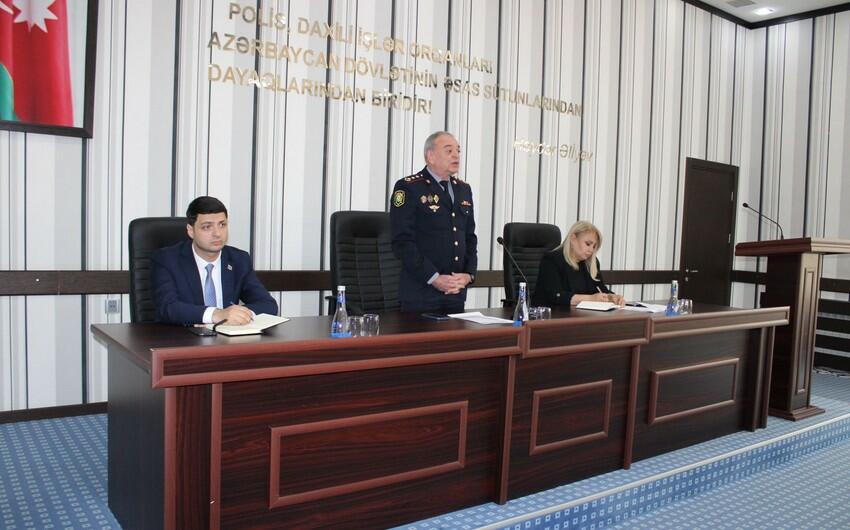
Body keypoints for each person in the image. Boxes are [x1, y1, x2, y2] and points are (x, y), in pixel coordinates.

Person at [151, 196, 278, 325]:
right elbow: (167, 308)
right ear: (191, 231)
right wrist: (216, 315)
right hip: (183, 335)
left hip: (227, 335)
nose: (217, 233)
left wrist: (238, 315)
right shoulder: (167, 260)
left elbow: (268, 304)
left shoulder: (239, 260)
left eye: (222, 225)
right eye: (207, 227)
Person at [390, 131, 478, 313]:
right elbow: (402, 241)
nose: (456, 155)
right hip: (421, 293)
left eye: (458, 151)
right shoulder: (409, 187)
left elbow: (469, 237)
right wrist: (434, 278)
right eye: (449, 151)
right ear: (430, 156)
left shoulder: (464, 189)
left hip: (455, 294)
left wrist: (468, 275)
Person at [531, 220, 625, 307]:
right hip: (552, 315)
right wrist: (590, 299)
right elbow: (555, 295)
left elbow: (600, 289)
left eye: (594, 246)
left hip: (581, 315)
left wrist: (612, 297)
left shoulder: (591, 263)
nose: (591, 250)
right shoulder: (552, 260)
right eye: (588, 244)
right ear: (573, 239)